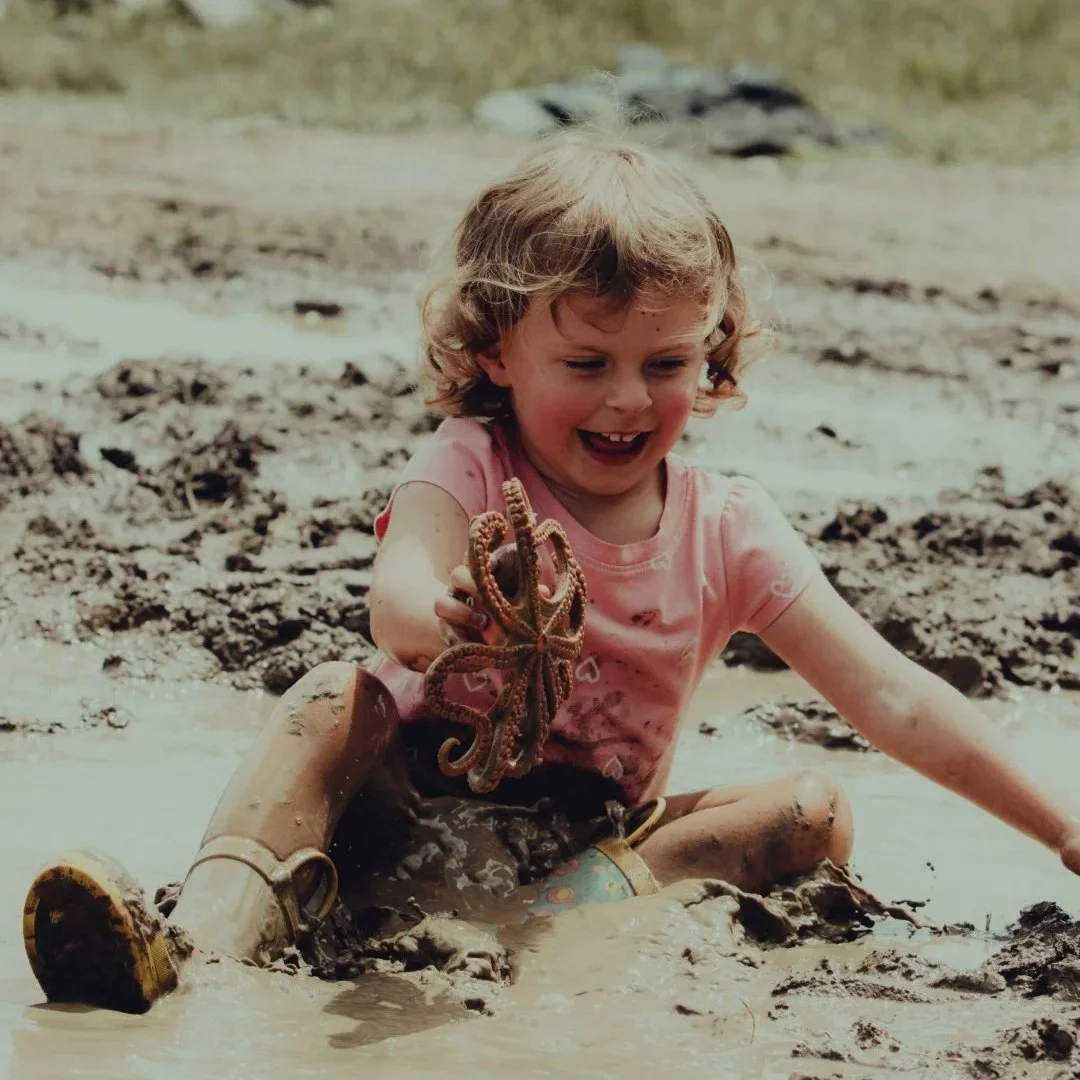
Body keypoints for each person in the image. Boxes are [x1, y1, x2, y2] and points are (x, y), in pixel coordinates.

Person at [22, 132, 1080, 1015]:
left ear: (709, 354)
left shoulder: (730, 529)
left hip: (585, 840)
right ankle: (198, 951)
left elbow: (895, 695)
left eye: (666, 364)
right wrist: (449, 621)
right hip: (399, 807)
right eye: (587, 364)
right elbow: (395, 602)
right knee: (323, 705)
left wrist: (1062, 829)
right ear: (495, 350)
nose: (629, 401)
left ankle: (549, 921)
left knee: (811, 810)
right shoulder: (470, 462)